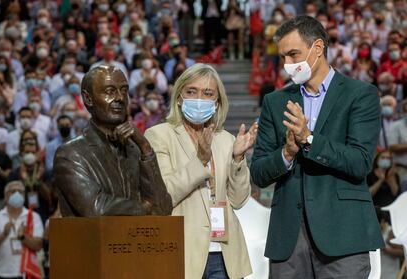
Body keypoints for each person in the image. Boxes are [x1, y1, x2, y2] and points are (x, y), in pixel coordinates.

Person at [250, 16, 384, 278]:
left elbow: (360, 162)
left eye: (293, 54)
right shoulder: (275, 101)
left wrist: (308, 139)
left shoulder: (360, 95)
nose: (287, 64)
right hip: (288, 239)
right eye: (283, 57)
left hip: (343, 236)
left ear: (318, 48)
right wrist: (287, 154)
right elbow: (258, 172)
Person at [145, 63, 257, 279]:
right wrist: (200, 160)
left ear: (217, 102)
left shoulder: (226, 139)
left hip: (225, 254)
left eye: (207, 93)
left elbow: (239, 200)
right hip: (182, 252)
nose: (199, 99)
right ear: (179, 97)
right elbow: (164, 195)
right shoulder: (159, 136)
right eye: (191, 92)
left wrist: (238, 159)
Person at [53, 65, 172, 217]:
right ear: (88, 98)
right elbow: (96, 208)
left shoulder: (136, 149)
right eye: (110, 91)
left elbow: (163, 209)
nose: (120, 98)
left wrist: (146, 148)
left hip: (138, 239)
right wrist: (148, 207)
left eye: (123, 91)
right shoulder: (71, 154)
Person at [0, 181, 43, 279]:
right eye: (13, 191)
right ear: (6, 196)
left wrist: (23, 237)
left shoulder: (33, 217)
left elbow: (38, 245)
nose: (17, 194)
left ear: (24, 196)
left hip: (25, 274)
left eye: (20, 192)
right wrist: (3, 234)